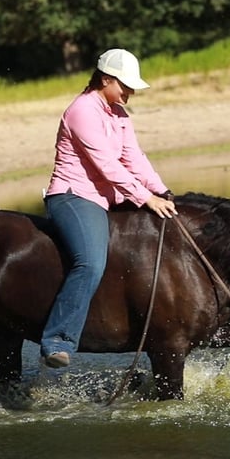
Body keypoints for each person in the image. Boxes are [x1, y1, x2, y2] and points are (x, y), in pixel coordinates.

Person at [40, 48, 178, 368]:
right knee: (89, 262)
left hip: (110, 197)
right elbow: (108, 167)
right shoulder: (82, 111)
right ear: (105, 79)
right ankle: (56, 339)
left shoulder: (118, 113)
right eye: (124, 85)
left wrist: (162, 190)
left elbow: (134, 159)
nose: (129, 92)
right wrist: (146, 199)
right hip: (75, 197)